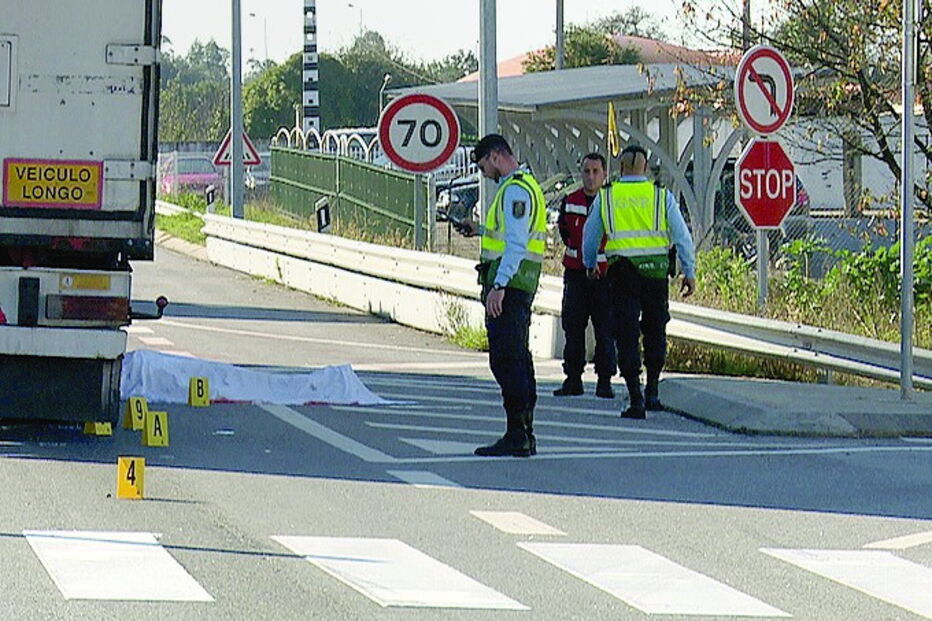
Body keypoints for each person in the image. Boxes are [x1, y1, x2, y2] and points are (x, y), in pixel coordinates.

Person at [582, 144, 697, 419]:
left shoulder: (607, 196)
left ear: (620, 167)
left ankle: (636, 397)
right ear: (646, 168)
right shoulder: (661, 196)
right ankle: (653, 391)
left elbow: (590, 235)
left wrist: (590, 264)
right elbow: (682, 236)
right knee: (656, 330)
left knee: (626, 333)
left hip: (622, 274)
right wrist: (689, 271)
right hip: (655, 274)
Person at [456, 134, 547, 456]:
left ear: (496, 156)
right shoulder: (526, 185)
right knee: (518, 357)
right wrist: (479, 230)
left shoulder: (515, 190)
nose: (484, 174)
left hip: (511, 284)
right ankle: (524, 433)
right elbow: (511, 235)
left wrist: (499, 285)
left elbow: (517, 244)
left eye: (484, 167)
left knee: (506, 360)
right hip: (521, 283)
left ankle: (517, 433)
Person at [553, 153, 616, 399]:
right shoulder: (571, 201)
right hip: (576, 274)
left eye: (596, 172)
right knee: (573, 327)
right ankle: (573, 378)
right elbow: (565, 231)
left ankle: (604, 380)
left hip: (604, 275)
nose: (591, 177)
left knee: (605, 329)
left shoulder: (611, 201)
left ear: (604, 174)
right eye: (587, 171)